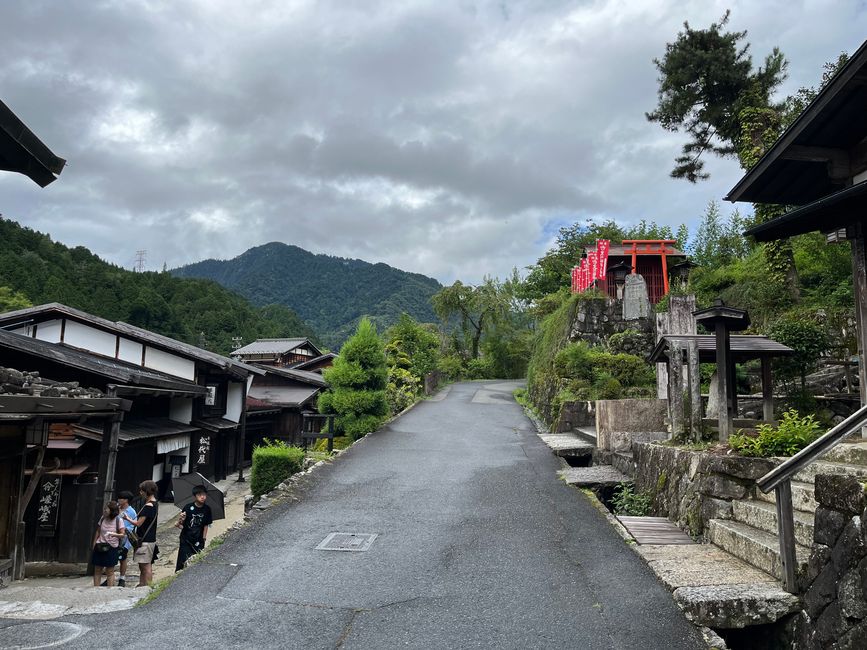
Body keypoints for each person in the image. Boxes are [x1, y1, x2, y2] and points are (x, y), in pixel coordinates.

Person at [175, 485, 213, 572]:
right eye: (200, 495)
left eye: (204, 494)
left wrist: (204, 538)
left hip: (198, 538)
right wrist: (181, 519)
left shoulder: (207, 509)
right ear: (195, 496)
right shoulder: (188, 507)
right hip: (186, 538)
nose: (202, 497)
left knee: (196, 560)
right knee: (182, 559)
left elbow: (206, 525)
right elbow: (180, 525)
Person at [131, 479, 159, 587]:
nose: (140, 492)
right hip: (149, 538)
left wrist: (127, 518)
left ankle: (147, 587)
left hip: (145, 539)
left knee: (146, 565)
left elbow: (138, 524)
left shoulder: (149, 506)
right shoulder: (154, 503)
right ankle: (142, 584)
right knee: (143, 565)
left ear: (146, 491)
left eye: (142, 490)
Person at [92, 500, 125, 587]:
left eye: (106, 509)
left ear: (112, 511)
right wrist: (94, 544)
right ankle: (96, 589)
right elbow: (98, 531)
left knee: (110, 571)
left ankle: (110, 590)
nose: (105, 510)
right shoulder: (102, 518)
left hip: (111, 548)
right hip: (99, 546)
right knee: (97, 569)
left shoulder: (119, 520)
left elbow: (122, 534)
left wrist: (114, 534)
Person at [115, 490, 137, 587]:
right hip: (113, 537)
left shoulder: (131, 512)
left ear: (126, 500)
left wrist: (121, 531)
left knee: (122, 558)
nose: (119, 500)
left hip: (124, 539)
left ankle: (122, 578)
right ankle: (109, 577)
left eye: (121, 498)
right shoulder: (115, 508)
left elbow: (132, 526)